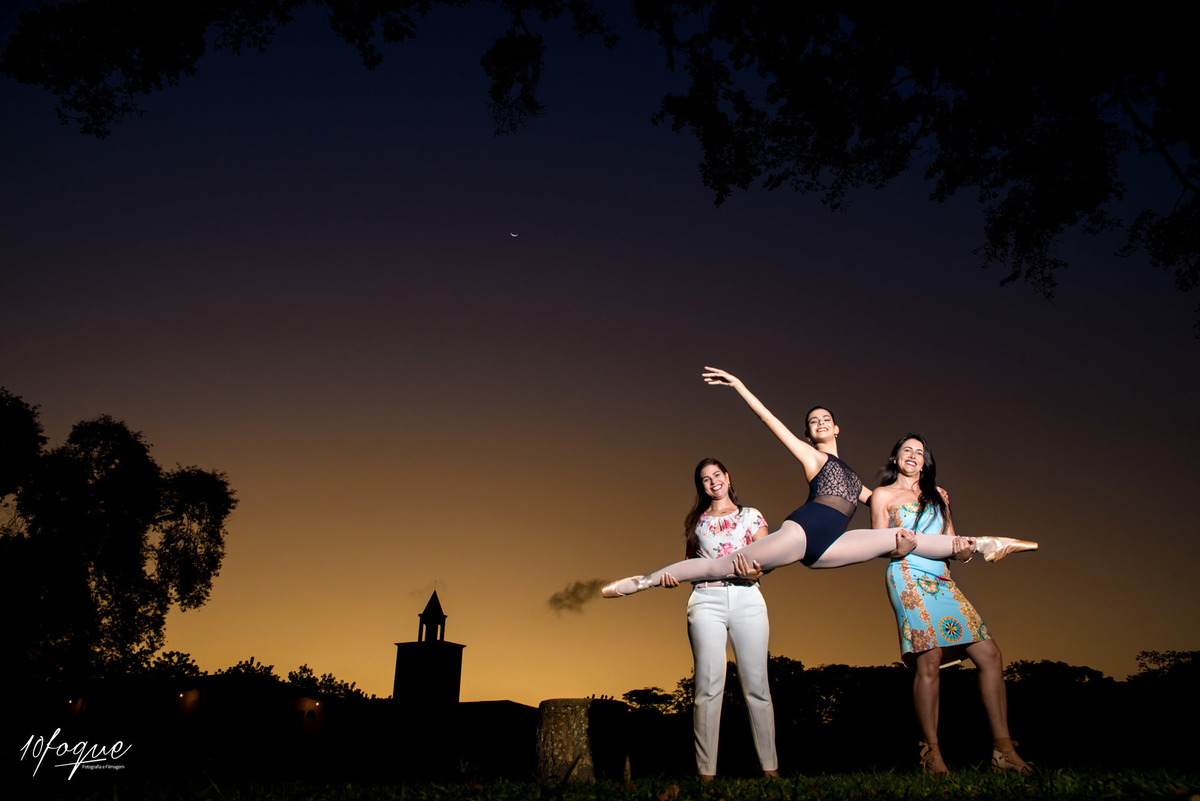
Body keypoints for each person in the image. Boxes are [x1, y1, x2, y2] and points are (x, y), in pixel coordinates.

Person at [601, 367, 1036, 597]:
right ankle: (644, 580)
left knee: (898, 536)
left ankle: (983, 545)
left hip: (829, 547)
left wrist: (929, 491)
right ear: (810, 434)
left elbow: (893, 498)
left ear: (837, 428)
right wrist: (738, 385)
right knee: (722, 567)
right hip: (805, 529)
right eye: (813, 422)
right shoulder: (812, 456)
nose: (821, 423)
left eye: (826, 419)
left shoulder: (857, 480)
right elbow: (769, 420)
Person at [871, 434, 1031, 775]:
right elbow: (879, 544)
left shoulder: (939, 495)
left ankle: (1003, 753)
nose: (913, 456)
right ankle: (932, 756)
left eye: (919, 452)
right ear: (895, 457)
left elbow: (951, 541)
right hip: (907, 575)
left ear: (925, 461)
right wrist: (897, 546)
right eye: (907, 450)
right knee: (928, 661)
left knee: (990, 655)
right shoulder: (883, 496)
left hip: (943, 580)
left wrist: (963, 552)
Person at [661, 458, 779, 780]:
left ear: (727, 477)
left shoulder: (751, 516)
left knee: (757, 687)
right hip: (706, 602)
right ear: (701, 487)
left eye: (717, 475)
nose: (713, 482)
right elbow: (689, 565)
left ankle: (770, 769)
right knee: (708, 688)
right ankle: (705, 774)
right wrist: (674, 577)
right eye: (705, 479)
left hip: (747, 598)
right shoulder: (697, 522)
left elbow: (768, 557)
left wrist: (757, 569)